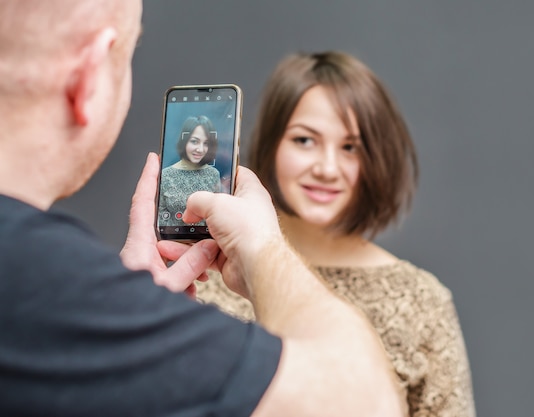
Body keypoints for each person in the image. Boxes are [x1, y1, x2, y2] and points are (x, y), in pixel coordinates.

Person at [0, 2, 407, 416]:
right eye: (129, 56)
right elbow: (363, 402)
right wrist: (264, 250)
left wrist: (133, 318)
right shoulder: (51, 283)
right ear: (89, 75)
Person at [196, 51, 476, 416]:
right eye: (305, 141)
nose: (327, 168)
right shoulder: (204, 276)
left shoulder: (422, 301)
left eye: (350, 148)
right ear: (272, 144)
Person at [159, 115, 221, 227]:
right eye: (194, 141)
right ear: (184, 141)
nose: (200, 149)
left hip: (207, 241)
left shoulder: (213, 174)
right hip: (171, 240)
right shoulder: (166, 175)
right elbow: (160, 216)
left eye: (206, 143)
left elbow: (218, 215)